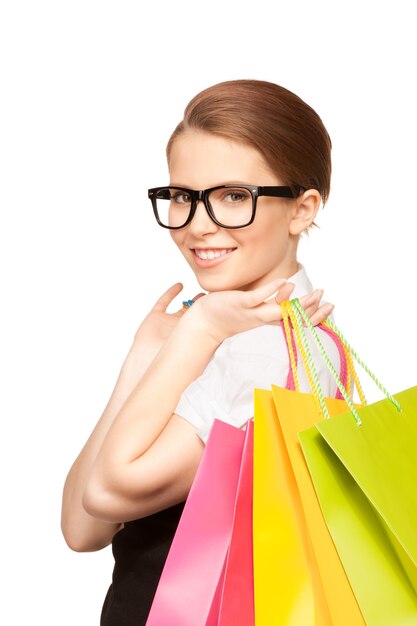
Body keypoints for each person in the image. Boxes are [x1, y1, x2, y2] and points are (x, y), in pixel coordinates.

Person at [61, 78, 340, 625]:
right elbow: (81, 529)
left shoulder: (259, 351)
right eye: (184, 196)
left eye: (234, 196)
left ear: (302, 209)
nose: (198, 226)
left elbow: (107, 492)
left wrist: (197, 333)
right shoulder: (213, 327)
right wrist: (147, 352)